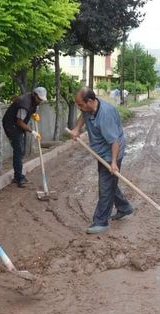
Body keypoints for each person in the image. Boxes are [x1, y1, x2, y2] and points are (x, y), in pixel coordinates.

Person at [69, 87, 133, 234]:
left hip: (112, 153)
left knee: (105, 187)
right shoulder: (88, 108)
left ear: (90, 101)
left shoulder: (105, 115)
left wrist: (114, 163)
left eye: (80, 105)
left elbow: (114, 141)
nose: (80, 107)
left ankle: (101, 221)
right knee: (110, 183)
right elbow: (83, 115)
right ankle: (124, 207)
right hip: (102, 152)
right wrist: (77, 129)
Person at [2, 87, 46, 187]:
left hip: (17, 125)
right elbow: (19, 122)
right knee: (19, 151)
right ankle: (18, 178)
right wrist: (33, 131)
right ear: (34, 95)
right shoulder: (24, 104)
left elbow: (29, 111)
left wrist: (33, 115)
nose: (40, 101)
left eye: (42, 99)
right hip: (11, 126)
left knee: (20, 151)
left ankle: (18, 175)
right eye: (39, 99)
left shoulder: (33, 102)